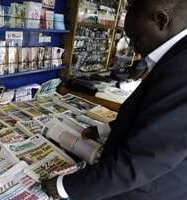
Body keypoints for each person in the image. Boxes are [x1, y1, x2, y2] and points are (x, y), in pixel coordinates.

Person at [42, 0, 187, 199]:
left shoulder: (182, 69)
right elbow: (158, 118)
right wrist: (104, 130)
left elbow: (145, 159)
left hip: (150, 189)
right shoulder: (177, 57)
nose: (135, 48)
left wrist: (63, 186)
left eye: (136, 38)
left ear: (160, 21)